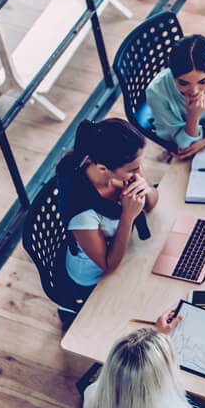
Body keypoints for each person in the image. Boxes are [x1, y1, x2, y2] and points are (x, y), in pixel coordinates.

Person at [57, 118, 159, 292]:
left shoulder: (125, 165)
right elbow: (108, 264)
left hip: (126, 251)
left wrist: (146, 189)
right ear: (103, 168)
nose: (139, 171)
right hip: (94, 279)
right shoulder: (82, 212)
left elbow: (152, 204)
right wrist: (128, 216)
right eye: (133, 169)